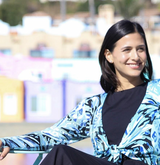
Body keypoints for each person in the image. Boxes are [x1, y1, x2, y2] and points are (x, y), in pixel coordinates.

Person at [0, 19, 159, 165]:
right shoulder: (93, 106)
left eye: (140, 49)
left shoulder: (156, 92)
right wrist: (8, 143)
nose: (135, 56)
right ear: (109, 55)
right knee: (60, 153)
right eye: (127, 50)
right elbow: (53, 135)